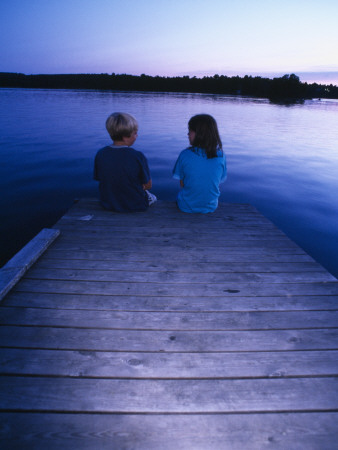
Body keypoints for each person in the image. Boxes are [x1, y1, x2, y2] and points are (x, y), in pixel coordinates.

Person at [94, 112, 156, 212]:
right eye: (135, 133)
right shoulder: (138, 156)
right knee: (152, 197)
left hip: (108, 204)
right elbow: (148, 185)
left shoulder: (101, 153)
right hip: (135, 205)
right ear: (125, 136)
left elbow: (99, 178)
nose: (137, 135)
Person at [172, 114, 227, 213]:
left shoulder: (185, 155)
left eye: (190, 131)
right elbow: (217, 181)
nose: (187, 134)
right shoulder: (221, 156)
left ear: (200, 134)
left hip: (186, 207)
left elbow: (182, 183)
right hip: (211, 207)